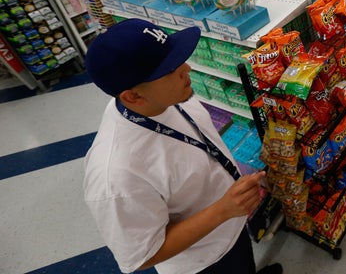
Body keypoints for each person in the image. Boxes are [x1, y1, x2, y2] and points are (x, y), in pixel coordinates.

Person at [83, 18, 281, 274]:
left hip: (233, 229)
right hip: (205, 262)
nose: (186, 68)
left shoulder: (168, 97)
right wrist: (223, 210)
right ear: (133, 96)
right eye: (169, 70)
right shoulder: (115, 175)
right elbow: (142, 256)